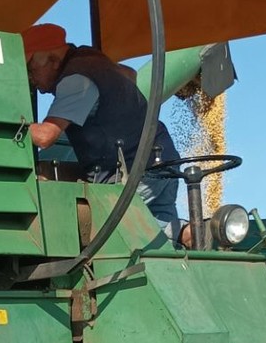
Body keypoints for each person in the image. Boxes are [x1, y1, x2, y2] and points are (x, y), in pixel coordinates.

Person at [22, 23, 191, 247]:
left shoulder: (76, 80)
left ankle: (190, 233)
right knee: (160, 239)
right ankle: (195, 234)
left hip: (136, 170)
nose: (31, 78)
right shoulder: (94, 60)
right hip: (163, 158)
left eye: (31, 68)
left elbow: (45, 136)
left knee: (114, 232)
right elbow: (130, 74)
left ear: (53, 59)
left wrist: (10, 126)